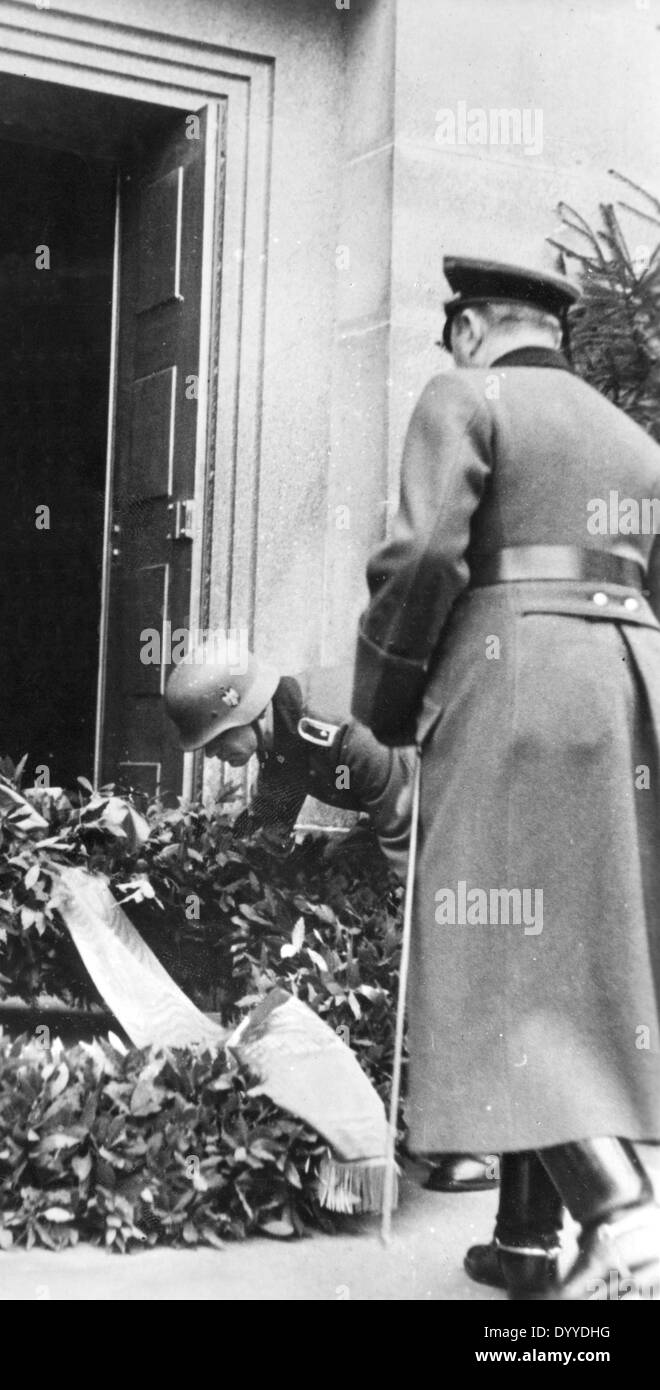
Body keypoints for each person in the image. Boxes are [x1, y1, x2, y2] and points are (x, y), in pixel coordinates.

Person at [352, 255, 660, 1300]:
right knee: (567, 957)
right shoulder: (630, 437)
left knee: (495, 950)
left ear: (475, 326)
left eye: (452, 335)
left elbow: (419, 560)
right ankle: (525, 1241)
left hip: (508, 684)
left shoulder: (462, 395)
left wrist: (385, 704)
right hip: (621, 698)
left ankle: (621, 1217)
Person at [164, 640, 498, 1196]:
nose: (214, 756)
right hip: (412, 811)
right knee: (335, 891)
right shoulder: (283, 733)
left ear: (243, 712)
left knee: (444, 951)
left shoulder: (343, 732)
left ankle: (479, 1141)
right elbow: (270, 823)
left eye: (217, 742)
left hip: (463, 809)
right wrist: (218, 877)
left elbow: (408, 842)